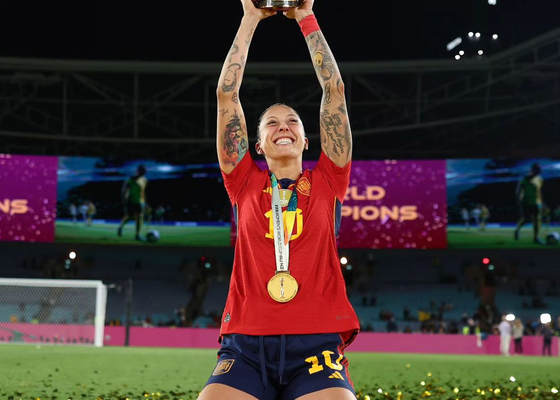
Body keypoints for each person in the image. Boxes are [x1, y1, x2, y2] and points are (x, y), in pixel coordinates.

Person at [198, 1, 359, 400]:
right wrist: (250, 18)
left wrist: (306, 17)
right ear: (257, 144)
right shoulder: (243, 182)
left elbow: (334, 91)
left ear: (306, 140)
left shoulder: (329, 179)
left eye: (292, 122)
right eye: (272, 122)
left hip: (316, 344)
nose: (283, 127)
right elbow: (226, 95)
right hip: (246, 344)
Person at [514, 163, 544, 244]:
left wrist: (542, 203)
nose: (539, 171)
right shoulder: (524, 179)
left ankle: (536, 238)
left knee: (537, 220)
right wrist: (518, 201)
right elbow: (518, 191)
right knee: (526, 219)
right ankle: (517, 230)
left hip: (537, 203)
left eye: (539, 170)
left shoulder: (540, 179)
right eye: (537, 169)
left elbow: (539, 192)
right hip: (526, 202)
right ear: (532, 170)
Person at [117, 165, 148, 241]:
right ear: (138, 171)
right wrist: (123, 198)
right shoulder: (130, 179)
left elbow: (143, 192)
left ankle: (137, 235)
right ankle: (120, 227)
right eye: (141, 171)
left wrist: (145, 202)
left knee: (140, 217)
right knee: (130, 217)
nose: (143, 172)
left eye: (144, 171)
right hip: (130, 201)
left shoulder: (144, 180)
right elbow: (124, 190)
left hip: (140, 202)